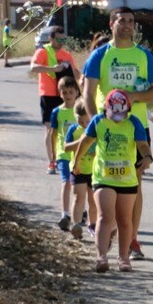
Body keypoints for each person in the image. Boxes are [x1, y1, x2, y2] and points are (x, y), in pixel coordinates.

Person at [83, 8, 153, 261]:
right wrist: (93, 126)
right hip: (106, 129)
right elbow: (87, 93)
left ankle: (132, 239)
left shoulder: (143, 55)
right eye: (122, 20)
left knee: (135, 182)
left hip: (135, 128)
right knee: (104, 182)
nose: (128, 25)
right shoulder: (100, 55)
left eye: (131, 21)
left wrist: (134, 97)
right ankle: (107, 228)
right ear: (111, 24)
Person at [71, 89, 152, 273]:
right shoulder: (98, 121)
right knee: (105, 217)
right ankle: (102, 257)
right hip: (104, 176)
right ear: (106, 108)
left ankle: (123, 257)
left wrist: (147, 157)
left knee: (124, 220)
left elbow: (143, 144)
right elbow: (85, 142)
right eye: (113, 113)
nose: (117, 117)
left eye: (121, 113)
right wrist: (76, 162)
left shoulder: (134, 123)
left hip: (127, 179)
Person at [30, 26, 76, 174]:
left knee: (68, 127)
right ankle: (52, 161)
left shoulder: (67, 55)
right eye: (59, 39)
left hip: (66, 95)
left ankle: (68, 158)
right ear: (51, 38)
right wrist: (53, 69)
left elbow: (75, 72)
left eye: (64, 39)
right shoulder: (43, 51)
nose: (62, 42)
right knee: (51, 129)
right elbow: (33, 68)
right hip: (48, 94)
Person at [49, 73, 84, 231]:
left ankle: (80, 210)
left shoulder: (82, 109)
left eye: (71, 92)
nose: (68, 96)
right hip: (64, 153)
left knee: (81, 185)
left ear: (77, 92)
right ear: (59, 93)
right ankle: (65, 214)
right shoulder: (57, 112)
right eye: (64, 92)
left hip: (80, 154)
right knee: (66, 182)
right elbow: (53, 133)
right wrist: (53, 155)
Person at [62, 93, 93, 240]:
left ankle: (93, 225)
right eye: (81, 122)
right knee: (78, 197)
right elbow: (66, 147)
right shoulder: (73, 130)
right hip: (77, 168)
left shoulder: (95, 129)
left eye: (87, 121)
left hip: (95, 170)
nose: (84, 125)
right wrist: (80, 142)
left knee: (94, 199)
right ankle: (76, 225)